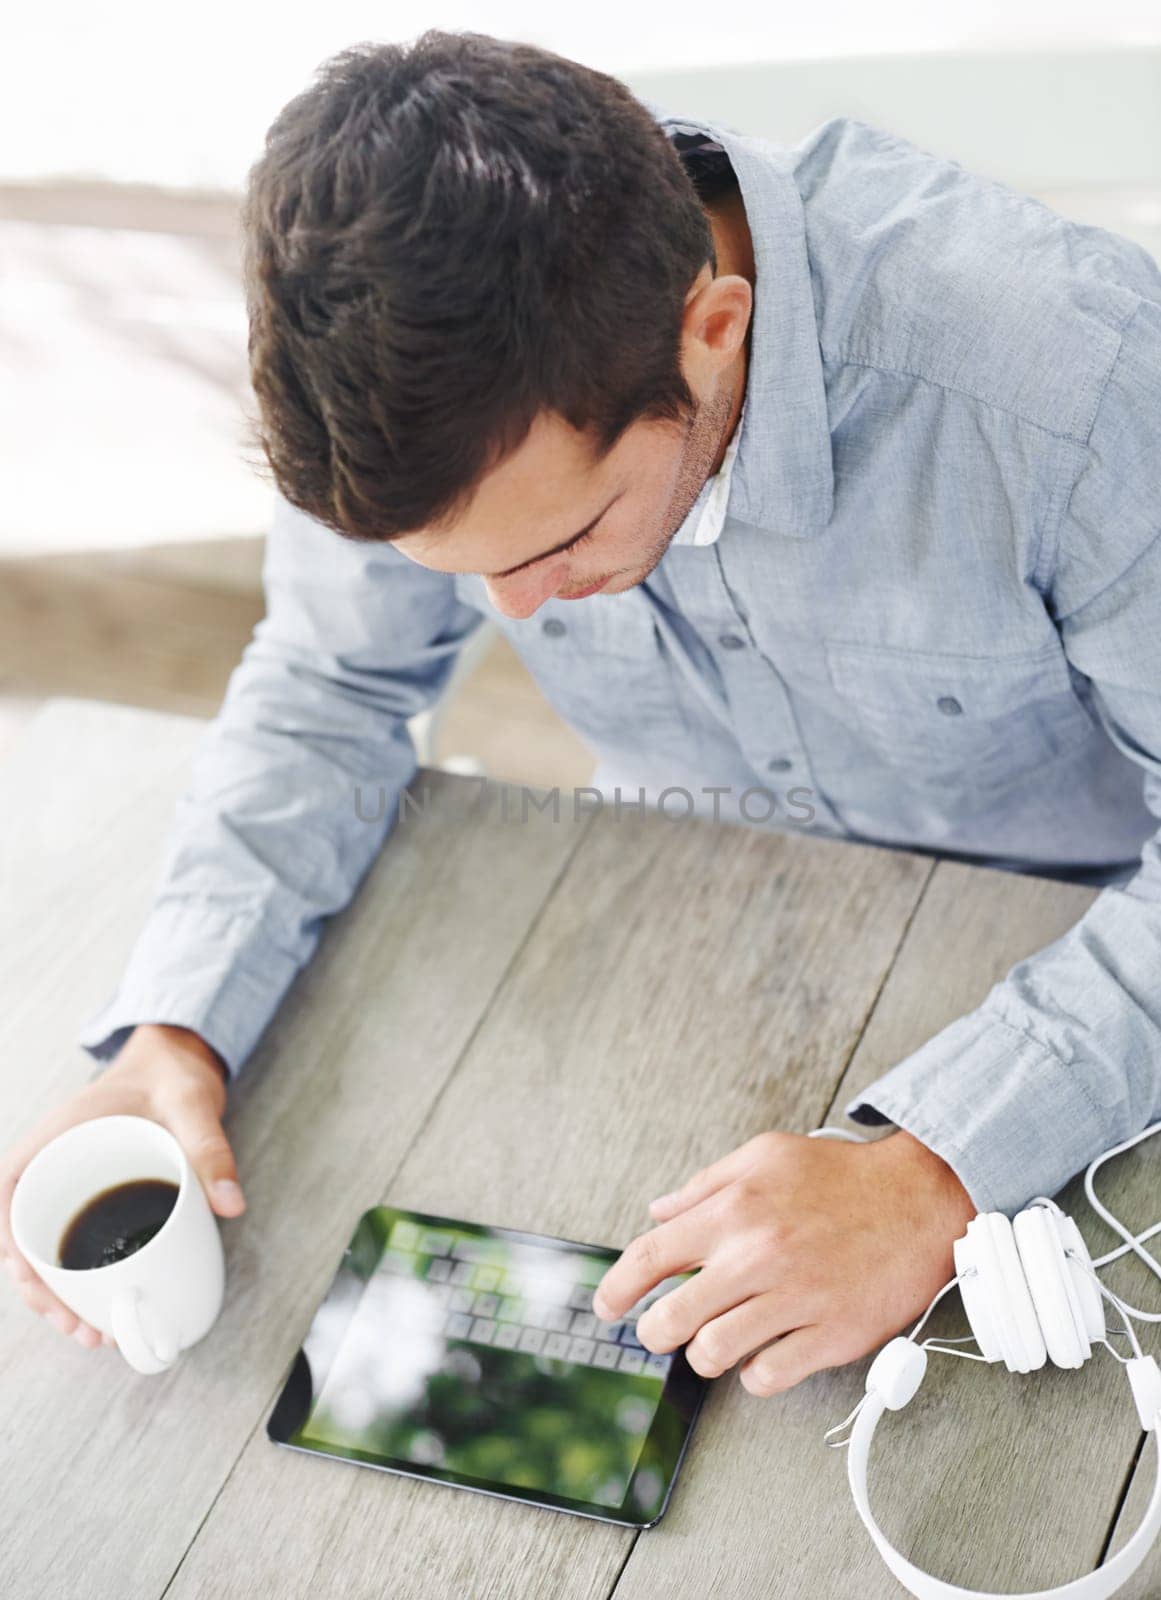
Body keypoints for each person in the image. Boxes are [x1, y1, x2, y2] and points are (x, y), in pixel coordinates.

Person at [3, 31, 1158, 1398]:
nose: (514, 613)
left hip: (1090, 976)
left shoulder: (1071, 387)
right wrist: (173, 1032)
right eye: (461, 569)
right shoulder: (405, 385)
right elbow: (332, 684)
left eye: (564, 541)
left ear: (708, 332)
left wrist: (936, 1169)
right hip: (687, 936)